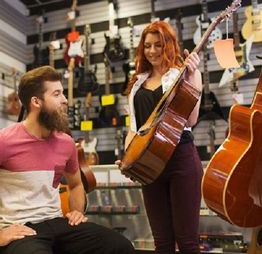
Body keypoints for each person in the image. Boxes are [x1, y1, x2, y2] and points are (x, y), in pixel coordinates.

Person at [0, 66, 135, 254]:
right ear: (36, 102)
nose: (65, 100)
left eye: (63, 93)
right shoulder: (5, 141)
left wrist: (77, 211)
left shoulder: (66, 143)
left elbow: (76, 185)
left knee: (121, 247)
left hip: (57, 222)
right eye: (57, 94)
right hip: (22, 228)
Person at [116, 21, 203, 254]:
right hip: (148, 165)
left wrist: (193, 76)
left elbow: (191, 119)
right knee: (162, 242)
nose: (152, 51)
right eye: (147, 46)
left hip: (181, 159)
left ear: (169, 45)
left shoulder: (182, 74)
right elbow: (134, 129)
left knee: (187, 242)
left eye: (158, 45)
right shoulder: (137, 83)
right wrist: (128, 159)